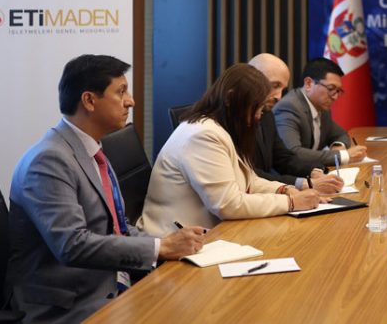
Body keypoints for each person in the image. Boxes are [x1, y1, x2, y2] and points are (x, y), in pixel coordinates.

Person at [6, 55, 206, 324]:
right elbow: (73, 245)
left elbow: (118, 226)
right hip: (68, 306)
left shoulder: (92, 148)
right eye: (121, 92)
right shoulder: (49, 161)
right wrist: (160, 247)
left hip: (110, 283)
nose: (131, 101)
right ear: (89, 101)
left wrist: (168, 243)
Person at [137, 64, 326, 237]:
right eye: (256, 107)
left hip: (211, 234)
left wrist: (286, 190)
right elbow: (228, 205)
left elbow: (249, 180)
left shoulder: (220, 127)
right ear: (230, 99)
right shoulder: (203, 135)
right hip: (176, 241)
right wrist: (291, 203)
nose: (259, 115)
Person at [247, 53, 343, 194]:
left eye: (282, 89)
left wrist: (313, 171)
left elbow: (283, 158)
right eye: (275, 85)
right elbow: (249, 174)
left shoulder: (267, 115)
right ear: (252, 79)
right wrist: (304, 184)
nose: (279, 96)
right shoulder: (231, 119)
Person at [274, 57, 368, 167]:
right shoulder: (289, 107)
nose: (335, 97)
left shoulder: (321, 107)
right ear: (309, 83)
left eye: (338, 91)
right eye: (331, 88)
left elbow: (340, 134)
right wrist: (342, 156)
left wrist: (338, 146)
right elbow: (293, 153)